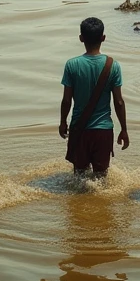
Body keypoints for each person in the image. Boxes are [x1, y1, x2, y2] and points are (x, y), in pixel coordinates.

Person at [59, 17, 128, 177]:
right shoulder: (113, 65)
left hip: (80, 129)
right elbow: (118, 101)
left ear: (81, 38)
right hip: (103, 130)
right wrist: (124, 129)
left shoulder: (72, 65)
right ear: (103, 38)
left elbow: (66, 100)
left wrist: (63, 122)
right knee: (101, 179)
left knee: (79, 178)